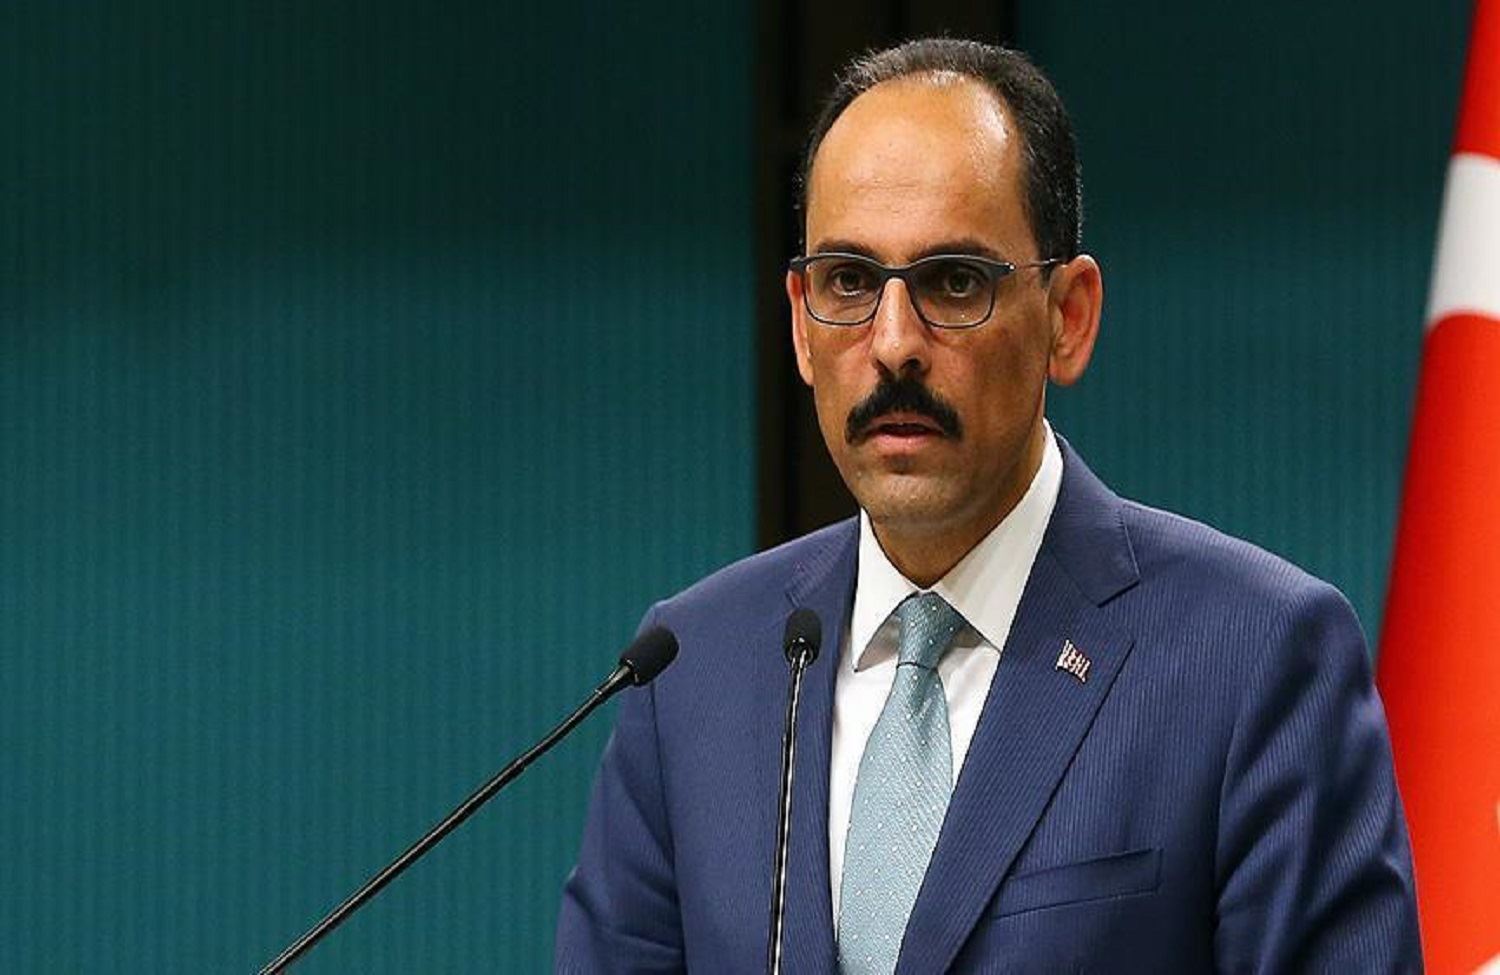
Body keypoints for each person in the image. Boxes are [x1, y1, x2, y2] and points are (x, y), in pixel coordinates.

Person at [555, 38, 1421, 973]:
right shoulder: (689, 671)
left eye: (954, 281)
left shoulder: (1253, 657)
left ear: (1068, 316)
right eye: (850, 281)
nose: (894, 343)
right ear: (801, 324)